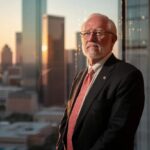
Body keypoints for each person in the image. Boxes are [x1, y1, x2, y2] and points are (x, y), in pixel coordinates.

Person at [56, 13, 145, 150]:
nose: (91, 38)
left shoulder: (128, 76)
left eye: (98, 33)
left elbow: (118, 133)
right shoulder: (80, 76)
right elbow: (67, 119)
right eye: (86, 33)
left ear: (113, 40)